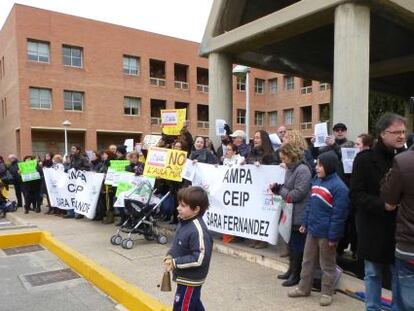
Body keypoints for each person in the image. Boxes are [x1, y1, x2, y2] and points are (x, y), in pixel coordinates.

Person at [350, 113, 406, 311]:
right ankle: (372, 307)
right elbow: (355, 195)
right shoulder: (364, 160)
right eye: (396, 132)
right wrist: (382, 205)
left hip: (400, 229)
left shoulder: (406, 158)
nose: (401, 136)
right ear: (382, 134)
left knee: (399, 274)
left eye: (403, 132)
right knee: (373, 273)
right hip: (372, 226)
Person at [288, 151, 349, 306]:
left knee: (327, 265)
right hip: (312, 231)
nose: (317, 167)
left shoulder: (339, 188)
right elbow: (310, 205)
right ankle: (303, 288)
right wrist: (305, 223)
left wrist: (333, 237)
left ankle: (327, 293)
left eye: (320, 165)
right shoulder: (316, 181)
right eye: (317, 164)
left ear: (329, 166)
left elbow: (339, 216)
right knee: (307, 261)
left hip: (327, 235)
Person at [163, 186, 213, 311]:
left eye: (183, 205)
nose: (178, 208)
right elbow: (177, 245)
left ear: (196, 209)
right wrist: (170, 255)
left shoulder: (198, 230)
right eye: (179, 204)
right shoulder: (184, 222)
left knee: (183, 307)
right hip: (184, 276)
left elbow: (200, 258)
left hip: (190, 280)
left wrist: (175, 262)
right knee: (193, 304)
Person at [271, 143, 311, 287]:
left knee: (298, 246)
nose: (283, 161)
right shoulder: (290, 169)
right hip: (290, 212)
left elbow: (297, 194)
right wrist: (279, 189)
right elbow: (287, 189)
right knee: (291, 245)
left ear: (292, 156)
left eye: (284, 158)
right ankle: (291, 270)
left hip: (299, 213)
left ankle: (297, 274)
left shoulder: (303, 170)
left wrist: (280, 190)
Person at [381, 144, 414, 311]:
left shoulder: (404, 161)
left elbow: (389, 200)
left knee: (404, 301)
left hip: (409, 245)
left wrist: (389, 177)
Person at [246, 130, 278, 249]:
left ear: (264, 139)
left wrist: (262, 166)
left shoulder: (271, 155)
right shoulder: (251, 153)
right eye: (254, 137)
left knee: (263, 215)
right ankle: (255, 237)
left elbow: (274, 169)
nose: (255, 140)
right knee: (254, 213)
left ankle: (263, 240)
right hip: (253, 189)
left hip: (265, 190)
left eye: (258, 138)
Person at [64, 145, 91, 219]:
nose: (72, 150)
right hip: (73, 180)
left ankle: (79, 213)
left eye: (73, 148)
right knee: (71, 195)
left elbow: (88, 168)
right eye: (71, 148)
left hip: (80, 181)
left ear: (78, 150)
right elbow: (71, 166)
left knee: (79, 196)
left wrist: (77, 169)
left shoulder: (83, 158)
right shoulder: (72, 157)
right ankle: (71, 212)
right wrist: (68, 169)